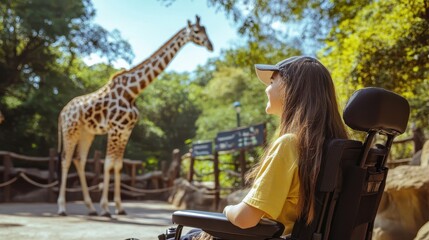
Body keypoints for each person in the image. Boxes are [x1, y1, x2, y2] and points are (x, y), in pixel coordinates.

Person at [171, 56, 349, 239]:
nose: (266, 89)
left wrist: (227, 209)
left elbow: (244, 219)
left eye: (272, 81)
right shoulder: (337, 149)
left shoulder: (289, 144)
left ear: (291, 89)